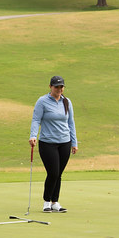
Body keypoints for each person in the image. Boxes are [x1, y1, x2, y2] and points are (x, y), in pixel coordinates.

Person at [29, 75, 78, 213]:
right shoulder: (42, 101)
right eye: (56, 87)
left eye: (61, 86)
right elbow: (36, 119)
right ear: (50, 87)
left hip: (65, 142)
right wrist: (33, 135)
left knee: (59, 173)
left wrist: (74, 142)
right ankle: (46, 202)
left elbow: (71, 123)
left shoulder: (67, 102)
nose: (59, 89)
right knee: (53, 172)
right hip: (48, 142)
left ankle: (55, 202)